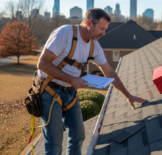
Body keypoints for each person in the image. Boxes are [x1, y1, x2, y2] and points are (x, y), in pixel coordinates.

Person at [37, 8, 146, 155]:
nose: (103, 33)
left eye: (105, 29)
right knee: (54, 144)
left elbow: (109, 72)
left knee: (78, 137)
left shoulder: (94, 46)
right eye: (101, 28)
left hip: (69, 92)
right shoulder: (65, 34)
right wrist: (71, 79)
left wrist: (127, 95)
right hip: (49, 91)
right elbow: (42, 64)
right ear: (89, 23)